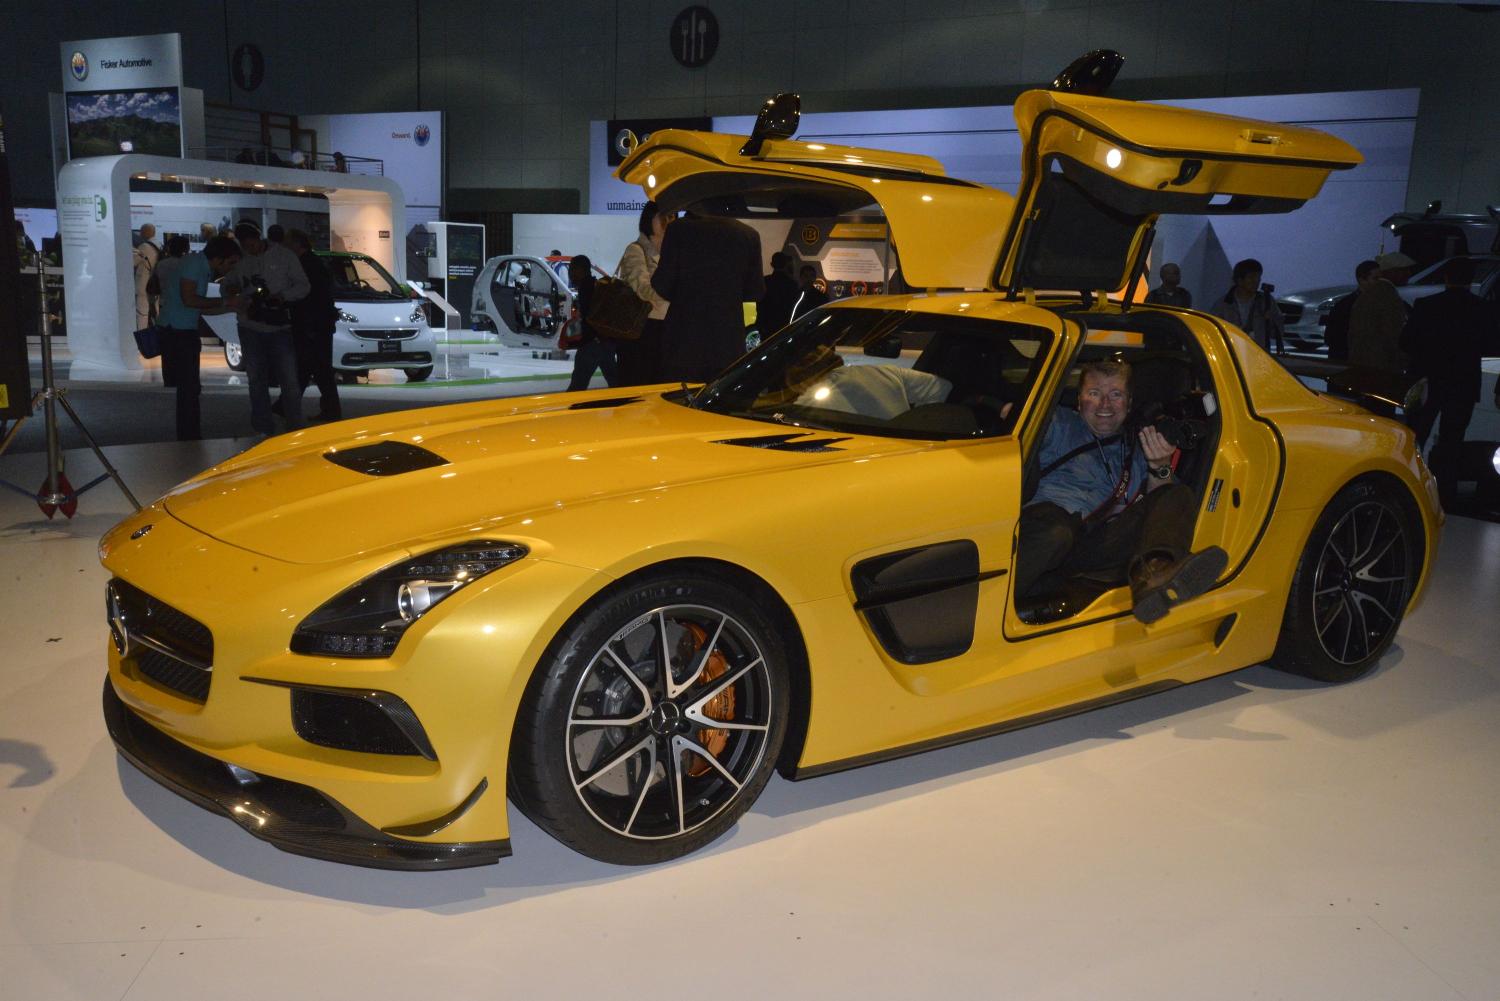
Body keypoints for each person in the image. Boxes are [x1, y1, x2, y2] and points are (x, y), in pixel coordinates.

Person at [1015, 360, 1228, 624]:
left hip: (1094, 543)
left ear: (1128, 403)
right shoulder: (1058, 423)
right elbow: (1017, 430)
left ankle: (1154, 575)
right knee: (1058, 531)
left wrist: (1160, 467)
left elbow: (1158, 501)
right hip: (1045, 531)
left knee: (1176, 493)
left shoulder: (1136, 445)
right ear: (1079, 401)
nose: (1105, 404)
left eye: (1115, 395)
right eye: (1094, 394)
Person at [1399, 257, 1500, 508]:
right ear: (1470, 280)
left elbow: (1407, 342)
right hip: (1463, 381)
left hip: (1428, 379)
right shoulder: (1482, 309)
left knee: (1416, 434)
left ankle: (1409, 486)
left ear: (1446, 278)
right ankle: (1445, 493)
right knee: (1451, 440)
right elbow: (1491, 344)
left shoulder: (1426, 305)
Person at [651, 203, 764, 382]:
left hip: (683, 340)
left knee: (679, 403)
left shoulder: (678, 230)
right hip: (728, 341)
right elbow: (754, 291)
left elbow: (662, 285)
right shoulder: (748, 235)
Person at [221, 221, 309, 436]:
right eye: (246, 246)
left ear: (260, 239)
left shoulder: (284, 256)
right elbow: (227, 284)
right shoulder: (241, 261)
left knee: (289, 380)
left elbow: (303, 285)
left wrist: (281, 297)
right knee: (256, 380)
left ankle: (294, 427)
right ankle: (263, 427)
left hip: (279, 327)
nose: (250, 250)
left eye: (252, 245)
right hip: (250, 326)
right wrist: (235, 291)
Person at [155, 235, 242, 441]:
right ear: (219, 258)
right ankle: (188, 435)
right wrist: (225, 302)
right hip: (179, 331)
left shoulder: (198, 264)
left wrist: (227, 305)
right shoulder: (196, 265)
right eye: (231, 262)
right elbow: (190, 300)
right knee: (189, 387)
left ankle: (189, 433)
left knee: (189, 387)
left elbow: (194, 305)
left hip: (181, 329)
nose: (231, 268)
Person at [284, 228, 341, 422]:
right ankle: (328, 409)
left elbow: (308, 296)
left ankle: (288, 405)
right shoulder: (315, 263)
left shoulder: (305, 265)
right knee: (318, 369)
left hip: (311, 325)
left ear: (297, 245)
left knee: (312, 367)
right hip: (319, 324)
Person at [616, 201, 670, 385]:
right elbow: (641, 287)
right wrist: (671, 295)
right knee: (639, 379)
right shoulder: (636, 249)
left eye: (670, 217)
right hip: (643, 326)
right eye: (661, 217)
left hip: (664, 326)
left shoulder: (671, 251)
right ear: (648, 220)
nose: (666, 222)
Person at [1348, 251, 1413, 384]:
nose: (1409, 274)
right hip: (1382, 366)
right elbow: (1393, 333)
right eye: (1405, 270)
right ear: (1393, 272)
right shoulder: (1388, 296)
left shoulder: (1369, 294)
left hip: (1364, 364)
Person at [565, 255, 619, 392]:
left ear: (580, 269)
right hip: (605, 342)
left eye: (572, 269)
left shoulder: (586, 287)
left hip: (593, 344)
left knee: (577, 386)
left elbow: (590, 316)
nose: (570, 273)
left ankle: (572, 409)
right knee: (615, 383)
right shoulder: (595, 285)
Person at [1210, 258, 1284, 353]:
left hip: (1259, 355)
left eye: (1258, 277)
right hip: (1232, 355)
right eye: (1251, 277)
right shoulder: (1223, 305)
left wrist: (1270, 321)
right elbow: (1214, 333)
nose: (1256, 281)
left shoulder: (1266, 301)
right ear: (1239, 280)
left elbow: (1279, 332)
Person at [1323, 260, 1378, 362]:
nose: (1380, 283)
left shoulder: (1345, 304)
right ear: (1362, 280)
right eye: (1376, 279)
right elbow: (1333, 338)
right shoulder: (1345, 306)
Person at [756, 252, 799, 340]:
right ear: (786, 264)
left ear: (772, 264)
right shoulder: (792, 284)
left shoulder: (765, 281)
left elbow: (760, 304)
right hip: (785, 326)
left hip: (766, 326)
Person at [132, 224, 160, 330]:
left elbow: (133, 262)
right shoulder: (159, 244)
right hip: (156, 285)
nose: (140, 234)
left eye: (141, 231)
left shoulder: (144, 246)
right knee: (155, 312)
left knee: (142, 315)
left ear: (145, 232)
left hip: (144, 285)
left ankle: (143, 340)